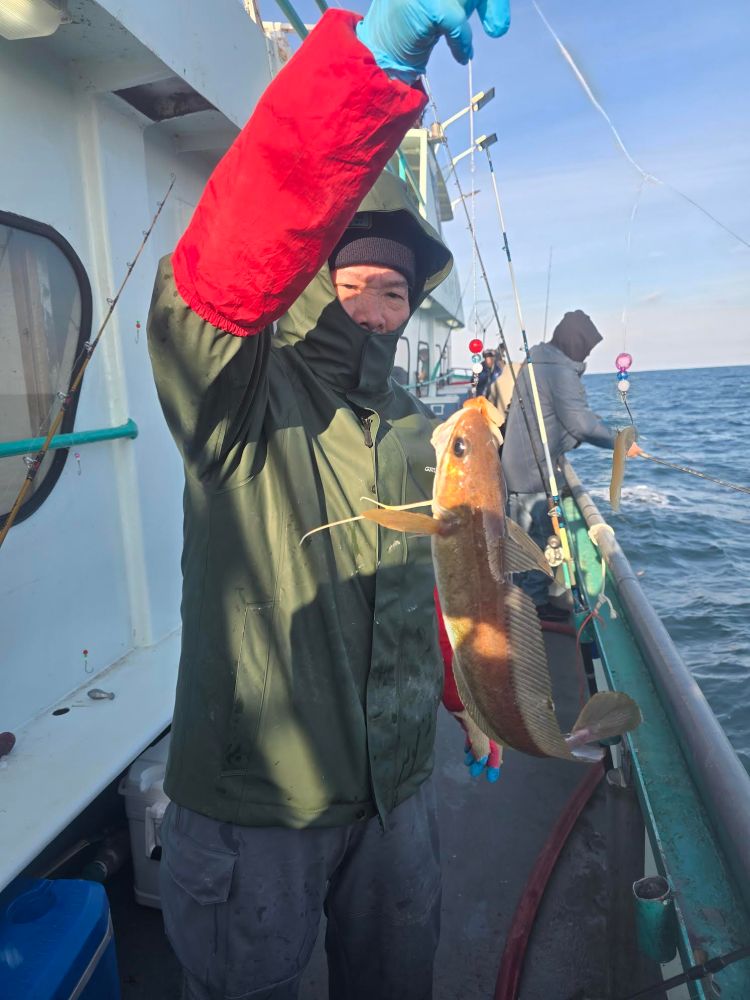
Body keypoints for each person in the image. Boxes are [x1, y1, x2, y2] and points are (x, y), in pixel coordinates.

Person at [146, 2, 510, 998]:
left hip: (397, 799)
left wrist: (464, 700)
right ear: (308, 275)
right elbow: (226, 269)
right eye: (352, 276)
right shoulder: (239, 388)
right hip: (257, 807)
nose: (375, 305)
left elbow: (426, 581)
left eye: (394, 290)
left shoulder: (409, 421)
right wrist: (367, 66)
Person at [501, 310, 641, 620]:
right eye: (586, 347)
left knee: (518, 546)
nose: (588, 352)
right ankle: (534, 611)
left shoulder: (537, 360)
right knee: (539, 546)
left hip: (514, 469)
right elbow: (581, 424)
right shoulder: (559, 371)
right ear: (576, 344)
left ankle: (518, 607)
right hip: (535, 476)